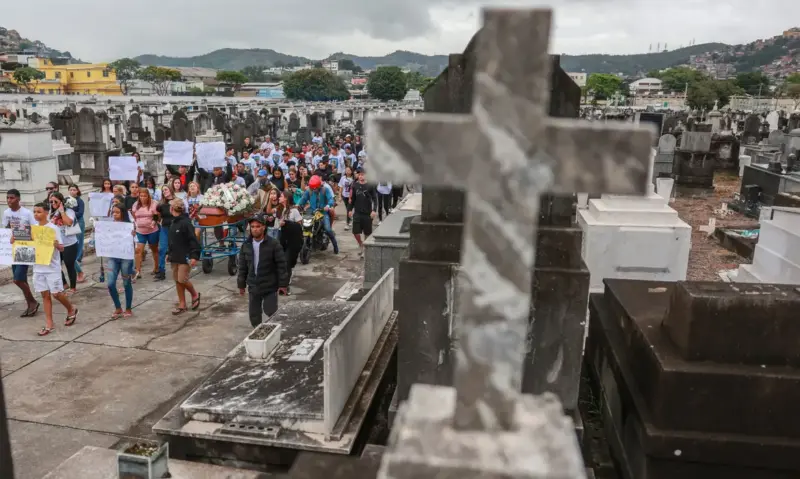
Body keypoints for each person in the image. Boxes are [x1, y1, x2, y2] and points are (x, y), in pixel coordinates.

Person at [23, 202, 78, 336]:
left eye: (39, 211)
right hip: (38, 267)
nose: (36, 214)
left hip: (52, 267)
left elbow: (61, 248)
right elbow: (25, 243)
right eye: (34, 212)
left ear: (46, 213)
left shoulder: (53, 228)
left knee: (56, 294)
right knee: (44, 295)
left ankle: (71, 308)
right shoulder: (32, 228)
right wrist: (15, 240)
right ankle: (49, 324)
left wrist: (55, 245)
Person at [238, 214, 289, 327]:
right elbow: (242, 267)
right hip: (253, 286)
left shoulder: (273, 244)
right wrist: (241, 284)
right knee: (254, 316)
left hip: (270, 285)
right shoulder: (246, 245)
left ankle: (275, 332)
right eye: (252, 227)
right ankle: (259, 335)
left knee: (271, 311)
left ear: (263, 227)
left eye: (258, 226)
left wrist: (283, 285)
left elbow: (282, 265)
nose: (255, 229)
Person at [3, 189, 39, 316]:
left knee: (17, 279)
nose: (9, 200)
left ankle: (33, 302)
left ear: (18, 199)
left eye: (11, 198)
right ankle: (30, 304)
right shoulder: (6, 213)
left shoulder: (27, 213)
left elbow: (34, 230)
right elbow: (5, 229)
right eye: (7, 198)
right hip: (13, 249)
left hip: (25, 248)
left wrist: (19, 234)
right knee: (22, 279)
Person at [167, 199, 201, 314]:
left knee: (182, 279)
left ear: (173, 209)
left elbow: (193, 241)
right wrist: (169, 253)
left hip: (185, 257)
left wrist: (194, 256)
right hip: (175, 256)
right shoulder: (173, 222)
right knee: (177, 280)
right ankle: (182, 304)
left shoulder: (186, 223)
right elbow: (171, 241)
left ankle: (194, 294)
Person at [296, 175, 339, 254]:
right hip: (311, 213)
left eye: (316, 187)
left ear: (319, 185)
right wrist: (298, 206)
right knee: (303, 226)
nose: (314, 189)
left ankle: (335, 246)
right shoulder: (308, 191)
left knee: (328, 229)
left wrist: (328, 205)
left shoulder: (325, 190)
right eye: (313, 188)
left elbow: (331, 199)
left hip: (322, 213)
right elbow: (303, 200)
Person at [106, 203, 135, 320]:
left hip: (125, 256)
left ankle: (128, 308)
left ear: (123, 213)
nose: (115, 215)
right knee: (110, 283)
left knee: (126, 282)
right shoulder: (109, 225)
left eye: (117, 212)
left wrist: (133, 235)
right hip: (113, 256)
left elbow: (134, 243)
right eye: (113, 212)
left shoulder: (129, 225)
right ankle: (118, 307)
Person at [48, 192, 79, 294]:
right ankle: (64, 283)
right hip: (57, 244)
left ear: (61, 202)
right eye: (51, 201)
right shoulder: (50, 213)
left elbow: (68, 223)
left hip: (69, 243)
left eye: (55, 201)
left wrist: (61, 211)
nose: (53, 203)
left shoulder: (69, 211)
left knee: (69, 265)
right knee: (56, 265)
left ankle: (73, 287)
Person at [131, 188, 160, 278]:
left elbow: (157, 215)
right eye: (141, 196)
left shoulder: (153, 204)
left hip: (152, 231)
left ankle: (156, 267)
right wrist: (135, 227)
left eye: (145, 196)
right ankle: (138, 271)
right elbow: (133, 216)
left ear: (148, 196)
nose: (143, 198)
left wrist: (154, 222)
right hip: (140, 231)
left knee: (154, 249)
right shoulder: (136, 205)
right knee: (138, 250)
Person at [349, 169, 378, 256]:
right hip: (357, 212)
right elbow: (352, 199)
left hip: (367, 213)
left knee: (367, 233)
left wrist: (374, 210)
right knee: (355, 232)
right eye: (359, 175)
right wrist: (350, 210)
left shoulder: (370, 185)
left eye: (362, 175)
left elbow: (375, 199)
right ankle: (360, 243)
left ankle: (365, 248)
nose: (361, 176)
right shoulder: (355, 185)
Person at [68, 185, 87, 283]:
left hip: (79, 222)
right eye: (70, 190)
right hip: (70, 222)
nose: (72, 191)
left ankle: (78, 258)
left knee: (79, 241)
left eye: (74, 190)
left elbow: (80, 213)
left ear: (77, 191)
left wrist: (71, 212)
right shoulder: (67, 201)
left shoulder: (80, 201)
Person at [339, 166, 355, 231]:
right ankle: (350, 218)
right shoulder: (343, 178)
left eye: (348, 170)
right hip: (344, 196)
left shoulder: (353, 179)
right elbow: (341, 187)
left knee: (348, 209)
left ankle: (347, 224)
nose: (347, 171)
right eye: (346, 170)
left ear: (351, 171)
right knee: (348, 209)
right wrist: (340, 196)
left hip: (351, 197)